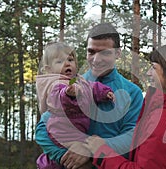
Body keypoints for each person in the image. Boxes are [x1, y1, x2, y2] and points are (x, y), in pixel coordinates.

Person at [35, 23, 144, 169]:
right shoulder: (72, 83)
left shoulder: (133, 92)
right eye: (91, 52)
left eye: (105, 53)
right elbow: (42, 130)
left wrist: (91, 151)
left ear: (118, 53)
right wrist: (64, 156)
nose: (96, 59)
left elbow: (131, 139)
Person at [36, 42, 115, 152]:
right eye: (60, 61)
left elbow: (90, 87)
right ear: (49, 69)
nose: (67, 64)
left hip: (78, 129)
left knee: (85, 151)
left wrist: (104, 92)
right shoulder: (55, 84)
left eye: (70, 60)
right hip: (63, 131)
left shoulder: (78, 80)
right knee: (67, 157)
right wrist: (67, 94)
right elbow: (57, 99)